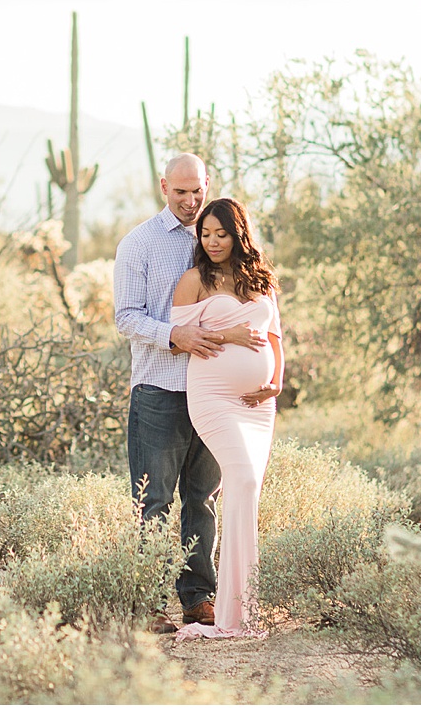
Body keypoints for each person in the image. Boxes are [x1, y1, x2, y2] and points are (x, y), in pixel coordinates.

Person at [113, 154, 268, 632]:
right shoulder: (138, 244)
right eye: (180, 192)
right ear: (164, 187)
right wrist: (174, 335)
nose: (189, 200)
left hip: (217, 396)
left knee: (203, 498)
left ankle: (199, 598)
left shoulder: (219, 234)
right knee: (154, 499)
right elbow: (126, 316)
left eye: (196, 190)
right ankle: (151, 603)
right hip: (161, 388)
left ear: (207, 185)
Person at [170, 197, 283, 639]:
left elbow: (275, 338)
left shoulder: (260, 279)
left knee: (247, 490)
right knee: (242, 480)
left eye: (222, 234)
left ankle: (243, 607)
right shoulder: (194, 280)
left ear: (239, 235)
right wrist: (228, 333)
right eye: (205, 234)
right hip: (213, 396)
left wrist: (276, 380)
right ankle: (231, 615)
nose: (213, 242)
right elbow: (178, 342)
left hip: (259, 405)